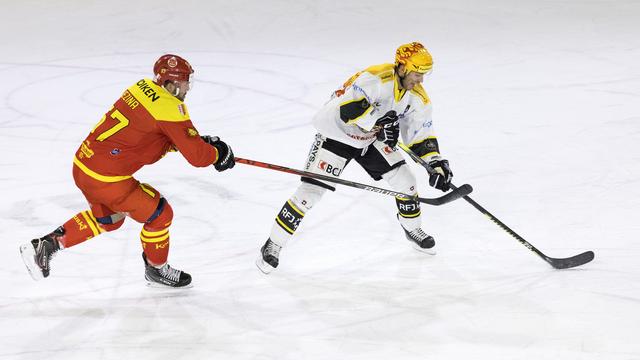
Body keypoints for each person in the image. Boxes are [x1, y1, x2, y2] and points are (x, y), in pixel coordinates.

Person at [19, 54, 235, 287]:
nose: (187, 88)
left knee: (110, 219)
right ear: (171, 85)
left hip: (84, 166)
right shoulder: (171, 107)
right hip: (107, 179)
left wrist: (190, 141)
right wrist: (217, 153)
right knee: (160, 214)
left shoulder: (140, 88)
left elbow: (146, 135)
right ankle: (157, 269)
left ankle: (46, 245)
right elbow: (198, 158)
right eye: (184, 82)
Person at [257, 42, 454, 274]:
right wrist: (381, 123)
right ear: (402, 67)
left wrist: (435, 163)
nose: (420, 80)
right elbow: (348, 112)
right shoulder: (374, 79)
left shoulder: (417, 97)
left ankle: (412, 229)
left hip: (370, 140)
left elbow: (420, 134)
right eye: (417, 73)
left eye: (424, 75)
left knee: (406, 180)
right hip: (336, 134)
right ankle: (273, 243)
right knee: (309, 194)